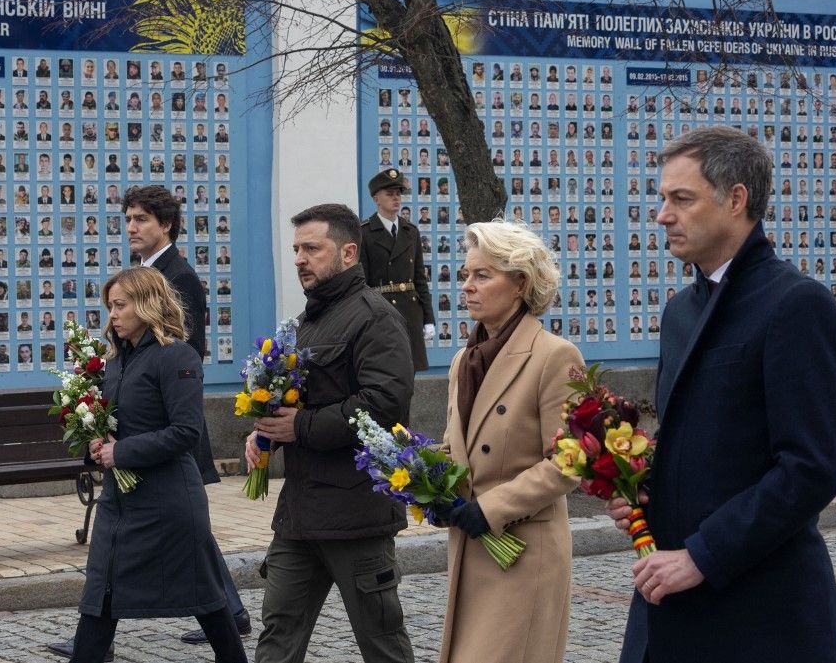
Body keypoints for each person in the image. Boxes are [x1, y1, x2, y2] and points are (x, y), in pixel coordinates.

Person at [608, 126, 836, 663]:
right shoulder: (679, 311)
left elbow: (811, 467)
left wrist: (702, 554)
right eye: (662, 198)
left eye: (681, 199)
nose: (662, 215)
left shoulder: (797, 305)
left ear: (736, 198)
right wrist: (637, 486)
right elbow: (701, 442)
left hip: (760, 617)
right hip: (667, 613)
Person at [48, 187, 249, 660]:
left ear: (148, 304)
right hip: (121, 500)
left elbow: (186, 430)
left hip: (166, 500)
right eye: (110, 306)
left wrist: (123, 452)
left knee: (210, 603)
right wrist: (96, 438)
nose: (112, 315)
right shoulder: (116, 360)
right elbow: (114, 413)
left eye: (119, 306)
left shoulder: (174, 354)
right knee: (98, 599)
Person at [246, 203, 414, 663]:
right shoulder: (304, 323)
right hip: (299, 517)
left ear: (347, 253)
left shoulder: (375, 317)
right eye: (296, 248)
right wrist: (267, 433)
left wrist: (299, 426)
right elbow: (301, 400)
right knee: (277, 633)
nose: (299, 258)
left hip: (355, 515)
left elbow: (384, 404)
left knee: (381, 641)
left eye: (311, 248)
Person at [435, 221, 583, 662]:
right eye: (465, 275)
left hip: (522, 553)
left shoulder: (556, 355)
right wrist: (422, 474)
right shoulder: (464, 359)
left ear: (520, 283)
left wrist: (491, 508)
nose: (467, 287)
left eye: (482, 275)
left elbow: (569, 461)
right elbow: (455, 446)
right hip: (470, 547)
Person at [358, 169, 435, 371]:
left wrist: (428, 319)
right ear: (376, 198)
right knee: (385, 372)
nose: (396, 198)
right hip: (381, 313)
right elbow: (361, 283)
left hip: (410, 312)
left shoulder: (410, 231)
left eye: (398, 194)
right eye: (389, 194)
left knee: (409, 375)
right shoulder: (364, 232)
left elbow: (419, 278)